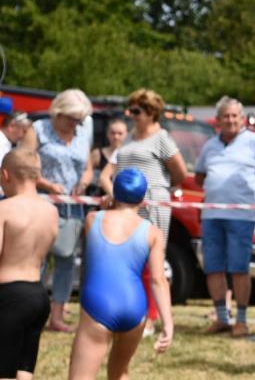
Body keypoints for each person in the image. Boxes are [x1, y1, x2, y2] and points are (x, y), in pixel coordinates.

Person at [41, 168, 174, 380]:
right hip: (134, 307)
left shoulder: (93, 220)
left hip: (98, 304)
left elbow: (98, 235)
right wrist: (168, 324)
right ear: (143, 200)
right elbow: (159, 280)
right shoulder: (151, 231)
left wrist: (107, 203)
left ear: (114, 193)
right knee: (119, 375)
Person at [99, 89, 187, 335]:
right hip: (125, 206)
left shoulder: (162, 138)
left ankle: (151, 317)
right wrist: (115, 194)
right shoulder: (129, 139)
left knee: (153, 261)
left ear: (150, 112)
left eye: (136, 111)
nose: (131, 115)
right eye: (130, 110)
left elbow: (180, 172)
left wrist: (159, 190)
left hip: (152, 205)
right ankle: (130, 313)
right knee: (129, 260)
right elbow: (108, 172)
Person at [0, 149, 57, 380]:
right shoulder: (51, 212)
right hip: (37, 295)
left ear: (6, 175)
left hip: (9, 296)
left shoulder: (4, 209)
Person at [193, 97, 255, 337]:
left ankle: (241, 320)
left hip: (242, 215)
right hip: (212, 215)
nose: (231, 120)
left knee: (239, 268)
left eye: (235, 115)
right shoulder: (209, 146)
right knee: (213, 267)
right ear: (218, 120)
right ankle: (222, 318)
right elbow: (199, 176)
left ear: (242, 118)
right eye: (226, 116)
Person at [23, 88, 94, 333]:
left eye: (79, 120)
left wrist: (84, 182)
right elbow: (24, 164)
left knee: (66, 260)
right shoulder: (38, 129)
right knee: (38, 259)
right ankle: (33, 314)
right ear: (58, 112)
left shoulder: (82, 134)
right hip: (42, 203)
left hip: (72, 208)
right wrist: (47, 184)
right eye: (72, 119)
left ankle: (57, 316)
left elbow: (88, 168)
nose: (75, 124)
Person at [87, 117, 127, 195]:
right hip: (100, 197)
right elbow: (88, 173)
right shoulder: (97, 153)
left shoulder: (129, 155)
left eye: (120, 133)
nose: (116, 137)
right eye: (113, 133)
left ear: (126, 134)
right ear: (107, 134)